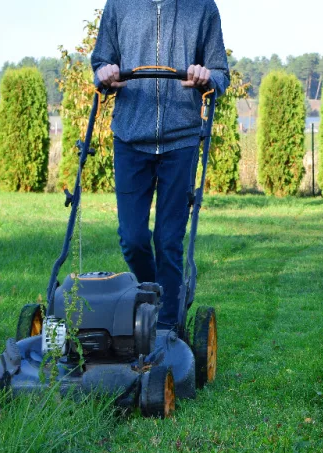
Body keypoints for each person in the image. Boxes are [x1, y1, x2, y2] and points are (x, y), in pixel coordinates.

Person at [91, 0, 229, 330]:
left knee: (169, 241)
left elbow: (220, 73)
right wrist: (105, 74)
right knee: (132, 237)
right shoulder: (119, 6)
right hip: (130, 137)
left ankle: (168, 327)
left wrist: (206, 76)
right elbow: (100, 63)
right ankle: (159, 295)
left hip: (180, 140)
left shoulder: (202, 8)